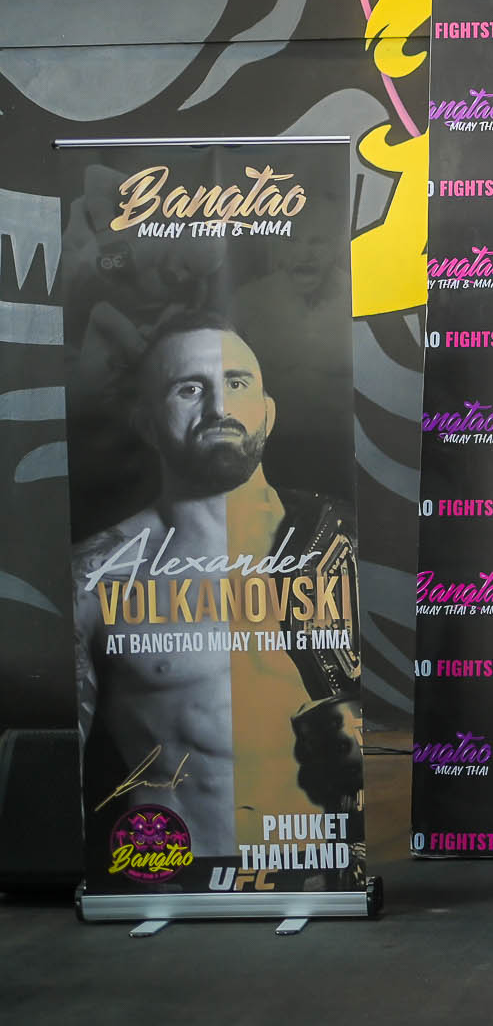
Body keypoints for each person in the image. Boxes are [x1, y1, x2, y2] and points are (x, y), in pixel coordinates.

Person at [71, 311, 362, 873]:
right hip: (171, 878)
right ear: (146, 423)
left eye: (237, 383)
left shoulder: (343, 543)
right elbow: (69, 772)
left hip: (323, 875)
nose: (218, 407)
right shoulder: (98, 574)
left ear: (268, 412)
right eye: (189, 388)